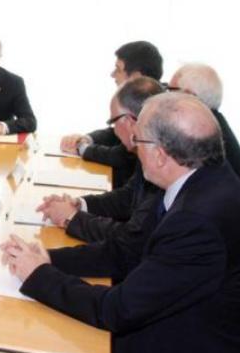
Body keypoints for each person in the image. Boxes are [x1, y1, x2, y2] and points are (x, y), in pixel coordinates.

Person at [1, 93, 240, 353]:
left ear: (161, 155)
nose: (131, 143)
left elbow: (119, 309)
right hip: (194, 327)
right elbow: (127, 251)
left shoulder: (197, 220)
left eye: (139, 138)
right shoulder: (201, 182)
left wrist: (39, 276)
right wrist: (49, 259)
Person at [37, 77, 164, 243]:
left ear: (130, 121)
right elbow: (128, 197)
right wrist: (79, 204)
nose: (113, 130)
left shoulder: (162, 165)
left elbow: (132, 239)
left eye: (113, 122)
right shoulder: (148, 152)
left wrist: (72, 218)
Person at [60, 41, 163, 187]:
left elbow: (121, 156)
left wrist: (82, 148)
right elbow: (114, 132)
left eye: (118, 69)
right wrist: (87, 138)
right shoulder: (150, 96)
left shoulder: (157, 108)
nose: (112, 75)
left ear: (136, 76)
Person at [168, 62, 240, 196]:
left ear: (189, 96)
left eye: (171, 90)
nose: (166, 97)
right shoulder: (215, 124)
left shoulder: (200, 134)